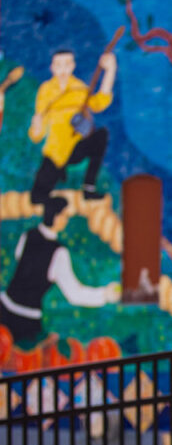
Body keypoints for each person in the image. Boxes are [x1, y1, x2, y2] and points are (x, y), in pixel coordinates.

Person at [0, 195, 120, 346]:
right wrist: (105, 295)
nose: (67, 219)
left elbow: (20, 260)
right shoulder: (59, 253)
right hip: (26, 324)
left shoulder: (28, 235)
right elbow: (74, 294)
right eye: (65, 215)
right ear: (55, 217)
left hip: (3, 309)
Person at [28, 47, 116, 208]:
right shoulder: (46, 90)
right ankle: (58, 196)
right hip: (56, 152)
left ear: (73, 66)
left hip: (76, 147)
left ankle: (88, 187)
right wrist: (37, 126)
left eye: (67, 64)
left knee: (101, 135)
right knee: (37, 198)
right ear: (52, 67)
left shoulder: (79, 88)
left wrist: (110, 71)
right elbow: (37, 134)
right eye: (58, 65)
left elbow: (99, 103)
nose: (62, 69)